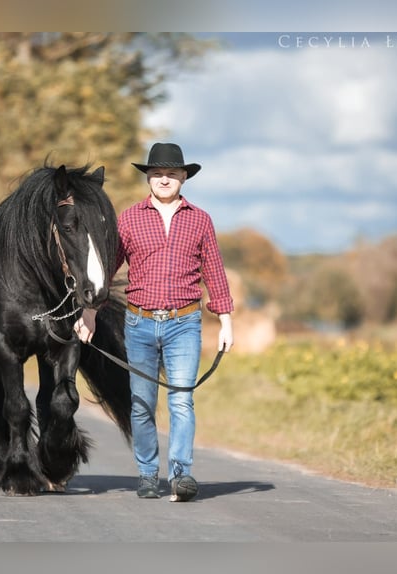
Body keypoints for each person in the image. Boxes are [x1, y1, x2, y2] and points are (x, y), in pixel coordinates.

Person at [74, 142, 234, 502]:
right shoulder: (129, 219)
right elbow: (108, 269)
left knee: (181, 400)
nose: (165, 179)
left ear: (183, 178)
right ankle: (147, 474)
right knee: (141, 404)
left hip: (184, 324)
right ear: (148, 177)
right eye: (158, 173)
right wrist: (89, 313)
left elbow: (215, 273)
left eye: (172, 174)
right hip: (140, 324)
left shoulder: (200, 220)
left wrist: (226, 322)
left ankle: (181, 476)